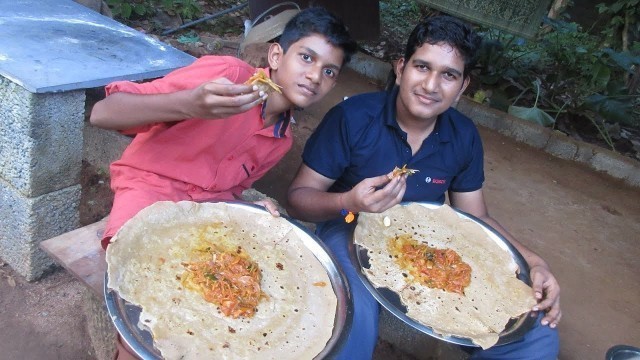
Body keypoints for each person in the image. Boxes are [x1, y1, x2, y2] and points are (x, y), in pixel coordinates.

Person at [286, 15, 561, 359]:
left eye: (448, 75)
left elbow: (475, 217)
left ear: (462, 87)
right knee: (353, 319)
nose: (431, 85)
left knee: (536, 333)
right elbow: (298, 200)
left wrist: (533, 262)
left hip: (432, 244)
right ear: (400, 69)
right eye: (422, 67)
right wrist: (350, 200)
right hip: (349, 230)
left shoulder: (463, 136)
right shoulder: (353, 118)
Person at [90, 7, 357, 251]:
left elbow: (226, 193)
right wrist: (189, 104)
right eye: (307, 58)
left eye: (329, 72)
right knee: (137, 257)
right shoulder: (228, 76)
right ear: (276, 56)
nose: (315, 76)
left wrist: (246, 208)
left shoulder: (280, 140)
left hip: (203, 215)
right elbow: (103, 113)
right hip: (148, 191)